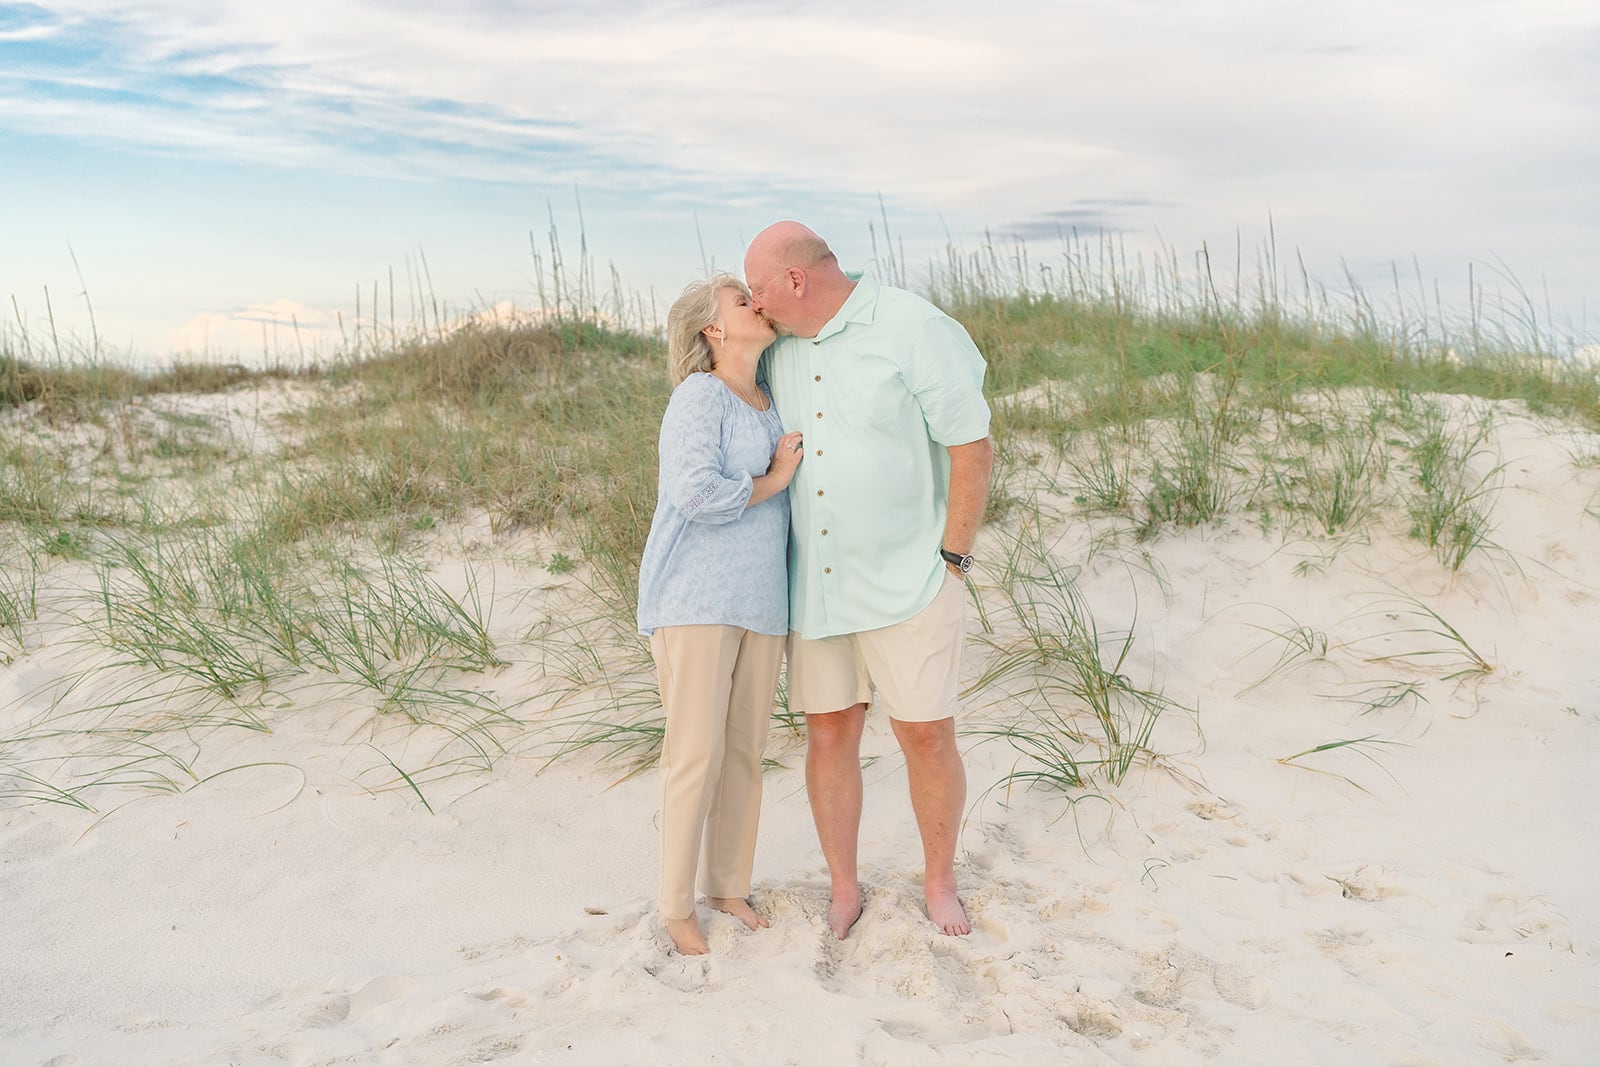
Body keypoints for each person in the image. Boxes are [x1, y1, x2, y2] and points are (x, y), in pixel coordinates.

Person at [746, 221, 994, 939]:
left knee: (925, 734)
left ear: (795, 280)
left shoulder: (912, 326)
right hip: (817, 582)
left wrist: (954, 558)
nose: (755, 304)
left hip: (910, 578)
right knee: (828, 733)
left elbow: (972, 447)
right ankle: (844, 888)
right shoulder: (776, 347)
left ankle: (940, 881)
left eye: (759, 288)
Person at [636, 272, 805, 955]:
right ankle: (676, 906)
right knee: (695, 754)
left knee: (742, 754)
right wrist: (775, 479)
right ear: (713, 328)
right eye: (742, 300)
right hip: (695, 597)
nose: (756, 304)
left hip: (761, 600)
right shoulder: (699, 396)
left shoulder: (770, 401)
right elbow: (695, 492)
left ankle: (727, 886)